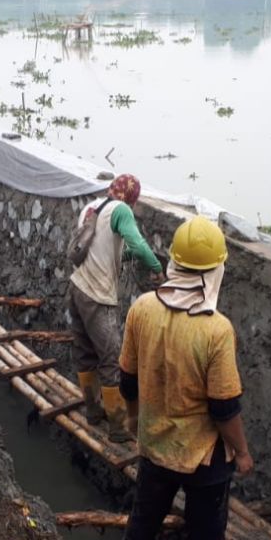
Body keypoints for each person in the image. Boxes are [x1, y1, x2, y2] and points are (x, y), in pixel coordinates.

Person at [115, 215, 253, 540]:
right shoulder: (215, 329)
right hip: (205, 455)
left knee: (146, 513)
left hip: (155, 441)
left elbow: (128, 378)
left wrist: (134, 418)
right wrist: (241, 453)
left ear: (174, 263)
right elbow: (224, 408)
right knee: (208, 529)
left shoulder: (142, 308)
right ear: (215, 271)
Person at [68, 173, 163, 440]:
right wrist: (156, 268)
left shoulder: (92, 208)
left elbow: (106, 248)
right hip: (97, 296)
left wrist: (129, 255)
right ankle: (118, 429)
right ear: (132, 198)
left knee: (85, 353)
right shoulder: (121, 210)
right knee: (111, 360)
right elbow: (138, 244)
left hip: (76, 289)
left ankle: (93, 411)